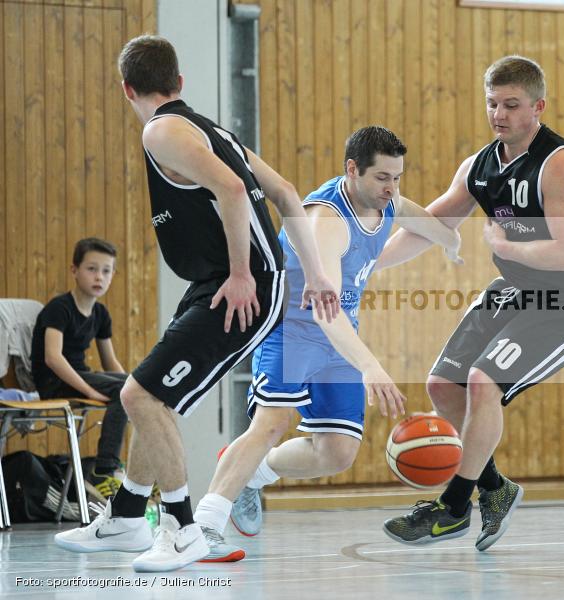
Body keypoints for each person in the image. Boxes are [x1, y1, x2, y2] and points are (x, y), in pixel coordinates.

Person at [53, 35, 338, 573]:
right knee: (148, 391)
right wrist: (316, 273)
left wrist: (239, 273)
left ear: (126, 89)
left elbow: (233, 192)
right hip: (226, 281)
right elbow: (285, 191)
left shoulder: (160, 129)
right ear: (179, 83)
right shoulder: (212, 130)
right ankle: (127, 515)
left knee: (140, 397)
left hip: (238, 284)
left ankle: (183, 529)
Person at [190, 126, 463, 562]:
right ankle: (203, 526)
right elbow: (325, 310)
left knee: (337, 452)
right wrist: (372, 366)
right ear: (352, 170)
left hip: (339, 340)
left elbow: (411, 216)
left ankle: (252, 472)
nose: (391, 188)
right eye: (382, 178)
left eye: (397, 177)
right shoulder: (326, 222)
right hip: (292, 330)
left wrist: (449, 239)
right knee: (272, 422)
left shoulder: (383, 201)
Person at [379, 56, 564, 550]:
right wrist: (365, 266)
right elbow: (433, 225)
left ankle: (454, 507)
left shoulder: (563, 163)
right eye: (492, 103)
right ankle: (495, 489)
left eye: (511, 104)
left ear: (537, 107)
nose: (499, 114)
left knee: (485, 382)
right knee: (444, 384)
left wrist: (505, 247)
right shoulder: (479, 166)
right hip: (515, 289)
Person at [31, 237, 129, 500]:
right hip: (54, 382)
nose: (99, 277)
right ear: (74, 271)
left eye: (106, 271)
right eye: (92, 269)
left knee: (132, 386)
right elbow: (52, 358)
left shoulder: (100, 314)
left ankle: (121, 468)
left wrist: (135, 387)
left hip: (79, 377)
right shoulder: (59, 308)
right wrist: (89, 391)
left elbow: (111, 364)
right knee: (124, 388)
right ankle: (104, 468)